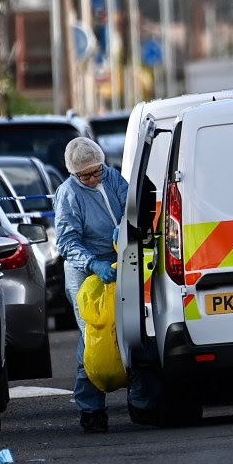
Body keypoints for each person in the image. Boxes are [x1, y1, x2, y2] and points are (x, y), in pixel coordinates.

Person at [54, 137, 159, 433]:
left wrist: (126, 228)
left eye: (96, 171)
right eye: (85, 175)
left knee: (132, 330)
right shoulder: (69, 194)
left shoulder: (112, 177)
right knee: (95, 336)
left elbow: (133, 208)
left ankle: (142, 403)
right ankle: (91, 409)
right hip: (87, 271)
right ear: (73, 173)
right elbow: (67, 240)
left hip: (121, 260)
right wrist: (93, 264)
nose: (93, 178)